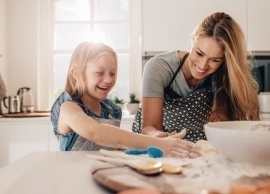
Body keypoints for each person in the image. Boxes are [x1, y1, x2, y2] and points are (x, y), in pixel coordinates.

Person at [50, 41, 198, 158]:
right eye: (99, 73)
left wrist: (155, 139)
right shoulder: (68, 107)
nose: (108, 79)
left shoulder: (111, 111)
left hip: (102, 176)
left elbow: (116, 144)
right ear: (76, 74)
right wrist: (156, 143)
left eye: (113, 74)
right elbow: (96, 132)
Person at [132, 12, 260, 142]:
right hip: (156, 145)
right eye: (199, 53)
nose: (203, 65)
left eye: (214, 60)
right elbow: (150, 127)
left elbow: (218, 124)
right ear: (193, 39)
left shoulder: (223, 75)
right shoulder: (160, 67)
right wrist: (159, 137)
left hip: (199, 145)